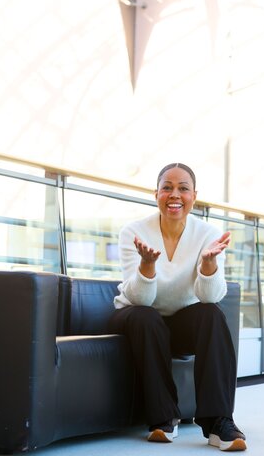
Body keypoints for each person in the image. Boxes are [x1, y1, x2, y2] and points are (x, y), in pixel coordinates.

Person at [108, 163, 246, 451]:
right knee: (146, 317)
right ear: (155, 193)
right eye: (167, 187)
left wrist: (208, 266)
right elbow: (140, 299)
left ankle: (218, 422)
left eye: (183, 188)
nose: (175, 194)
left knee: (211, 315)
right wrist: (147, 266)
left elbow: (210, 297)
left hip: (180, 321)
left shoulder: (208, 233)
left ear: (194, 195)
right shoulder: (133, 231)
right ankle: (163, 419)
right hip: (136, 316)